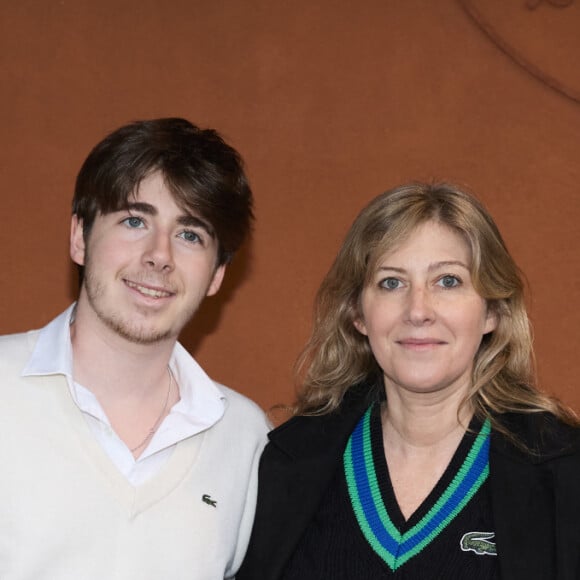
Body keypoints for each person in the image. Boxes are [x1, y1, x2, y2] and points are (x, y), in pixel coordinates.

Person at [238, 182, 580, 580]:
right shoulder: (288, 463)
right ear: (358, 314)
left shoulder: (563, 470)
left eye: (448, 281)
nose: (418, 310)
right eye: (391, 282)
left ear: (492, 312)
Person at [0, 118, 269, 580]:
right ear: (79, 237)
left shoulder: (246, 439)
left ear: (217, 275)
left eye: (190, 234)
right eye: (134, 220)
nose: (158, 254)